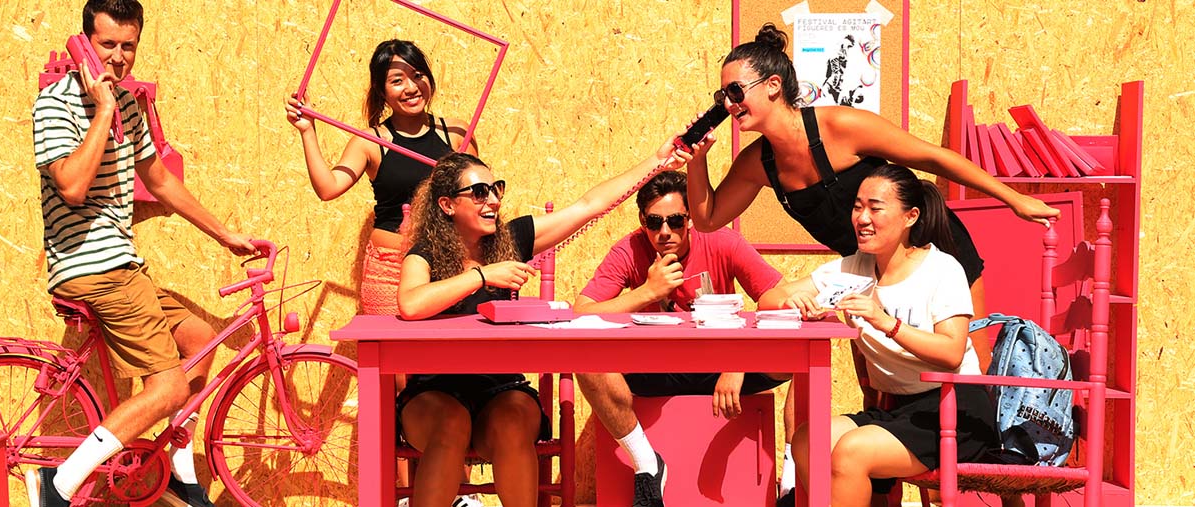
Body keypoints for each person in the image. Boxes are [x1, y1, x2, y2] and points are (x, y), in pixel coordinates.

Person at [684, 22, 1060, 377]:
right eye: (722, 97)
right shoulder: (758, 162)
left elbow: (934, 157)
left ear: (773, 85)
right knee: (878, 383)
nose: (729, 106)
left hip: (934, 252)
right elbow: (707, 219)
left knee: (969, 370)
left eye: (735, 92)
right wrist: (697, 160)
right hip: (867, 274)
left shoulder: (841, 127)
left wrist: (1014, 199)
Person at [28, 2, 253, 506]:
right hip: (91, 268)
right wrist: (103, 109)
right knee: (170, 389)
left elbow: (158, 180)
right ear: (85, 44)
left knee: (200, 339)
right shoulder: (55, 105)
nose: (118, 57)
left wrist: (223, 234)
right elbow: (72, 186)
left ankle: (176, 469)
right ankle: (57, 485)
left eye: (127, 46)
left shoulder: (130, 105)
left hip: (123, 266)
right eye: (107, 45)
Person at [396, 139, 690, 507]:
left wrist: (657, 163)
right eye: (479, 192)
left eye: (496, 189)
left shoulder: (510, 239)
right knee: (450, 424)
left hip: (499, 389)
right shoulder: (425, 253)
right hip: (433, 391)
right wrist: (483, 277)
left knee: (515, 422)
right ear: (448, 204)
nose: (493, 201)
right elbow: (410, 303)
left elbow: (588, 206)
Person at [775, 164, 997, 506]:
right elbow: (769, 298)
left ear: (910, 217)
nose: (862, 218)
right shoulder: (852, 268)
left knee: (851, 452)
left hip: (955, 408)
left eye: (875, 208)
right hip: (897, 409)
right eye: (857, 206)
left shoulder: (942, 269)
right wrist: (795, 301)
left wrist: (885, 321)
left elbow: (952, 353)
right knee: (807, 441)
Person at [573, 169, 794, 506]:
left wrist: (739, 361)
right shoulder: (629, 250)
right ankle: (647, 465)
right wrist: (647, 292)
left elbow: (778, 302)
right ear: (642, 221)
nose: (665, 232)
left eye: (676, 220)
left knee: (800, 357)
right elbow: (582, 313)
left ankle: (790, 481)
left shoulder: (722, 241)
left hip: (723, 366)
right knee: (586, 361)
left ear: (691, 219)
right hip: (655, 369)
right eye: (654, 222)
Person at [285, 38, 478, 316]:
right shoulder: (370, 142)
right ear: (381, 91)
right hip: (390, 271)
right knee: (393, 358)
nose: (411, 88)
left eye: (418, 76)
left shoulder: (458, 134)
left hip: (450, 268)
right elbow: (328, 188)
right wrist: (307, 131)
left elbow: (478, 201)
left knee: (448, 358)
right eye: (397, 80)